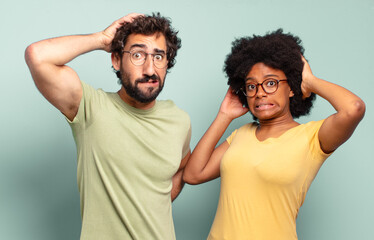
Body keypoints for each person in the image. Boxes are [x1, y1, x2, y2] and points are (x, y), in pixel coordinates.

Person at [183, 29, 365, 240]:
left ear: (291, 88)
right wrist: (224, 115)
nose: (260, 92)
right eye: (251, 86)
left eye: (271, 83)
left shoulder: (313, 137)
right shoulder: (241, 134)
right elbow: (192, 175)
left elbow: (354, 108)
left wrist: (309, 81)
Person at [25, 13, 191, 240]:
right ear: (116, 60)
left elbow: (181, 170)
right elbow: (37, 56)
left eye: (159, 56)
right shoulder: (90, 107)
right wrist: (101, 39)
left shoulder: (179, 121)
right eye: (137, 55)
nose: (150, 69)